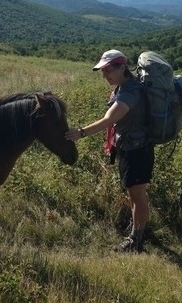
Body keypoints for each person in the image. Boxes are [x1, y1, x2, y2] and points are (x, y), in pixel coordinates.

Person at [65, 49, 154, 253]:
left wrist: (80, 133)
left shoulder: (131, 92)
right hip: (129, 147)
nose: (105, 75)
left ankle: (136, 241)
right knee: (134, 194)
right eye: (103, 71)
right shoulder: (123, 87)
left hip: (138, 149)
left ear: (122, 67)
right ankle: (137, 235)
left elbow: (108, 120)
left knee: (137, 195)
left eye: (108, 71)